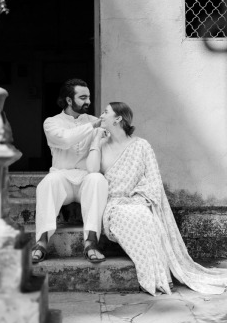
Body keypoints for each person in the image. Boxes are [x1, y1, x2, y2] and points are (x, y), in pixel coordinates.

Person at [86, 101, 227, 295]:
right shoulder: (101, 145)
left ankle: (161, 276)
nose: (100, 115)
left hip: (136, 201)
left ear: (118, 118)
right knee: (136, 216)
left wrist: (135, 199)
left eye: (105, 112)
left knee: (144, 216)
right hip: (112, 207)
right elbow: (92, 171)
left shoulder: (142, 146)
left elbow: (154, 182)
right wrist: (94, 141)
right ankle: (154, 277)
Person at [32, 79, 109, 264]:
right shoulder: (52, 122)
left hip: (85, 178)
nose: (88, 102)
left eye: (88, 97)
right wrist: (93, 126)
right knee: (47, 183)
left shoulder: (95, 121)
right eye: (82, 97)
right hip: (62, 177)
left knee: (97, 179)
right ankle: (41, 243)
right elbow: (66, 140)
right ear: (68, 100)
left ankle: (90, 242)